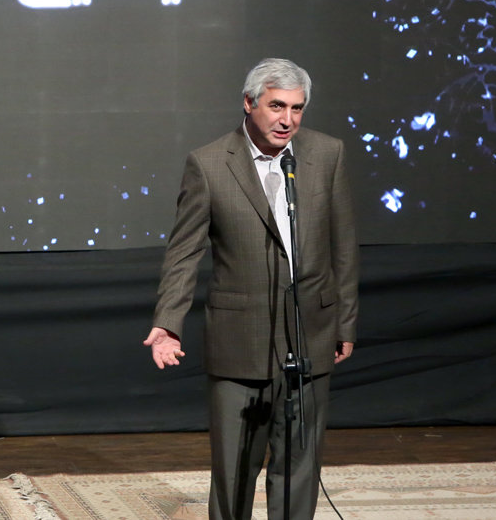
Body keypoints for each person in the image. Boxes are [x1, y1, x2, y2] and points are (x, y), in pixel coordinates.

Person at [143, 57, 359, 519]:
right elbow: (184, 253)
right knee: (235, 470)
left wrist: (344, 321)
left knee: (299, 466)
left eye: (297, 109)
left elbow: (342, 247)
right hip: (240, 338)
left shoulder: (327, 154)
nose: (287, 120)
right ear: (249, 103)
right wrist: (169, 323)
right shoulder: (208, 164)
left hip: (310, 331)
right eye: (277, 106)